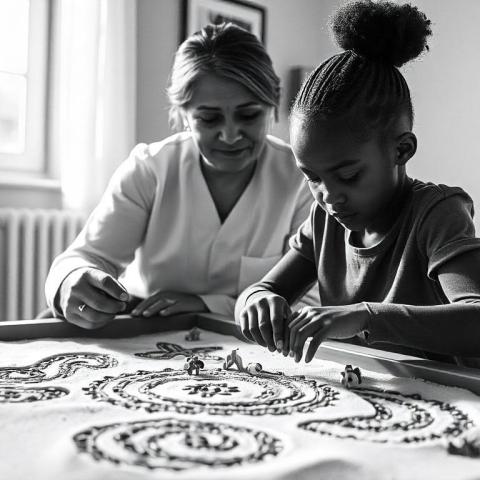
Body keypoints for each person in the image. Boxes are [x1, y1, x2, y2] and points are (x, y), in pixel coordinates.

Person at [235, 0, 480, 364]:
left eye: (348, 176)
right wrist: (256, 301)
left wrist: (367, 315)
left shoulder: (437, 214)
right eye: (312, 177)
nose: (330, 196)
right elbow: (262, 289)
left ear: (402, 150)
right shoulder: (324, 222)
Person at [45, 23, 312, 329]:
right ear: (182, 115)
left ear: (273, 107)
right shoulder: (150, 169)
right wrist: (71, 281)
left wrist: (205, 306)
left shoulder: (302, 180)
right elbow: (84, 258)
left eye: (248, 115)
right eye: (209, 118)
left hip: (251, 348)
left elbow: (309, 300)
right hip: (143, 329)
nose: (229, 135)